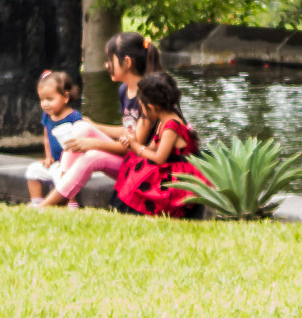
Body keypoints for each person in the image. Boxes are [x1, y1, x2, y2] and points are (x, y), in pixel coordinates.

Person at [36, 31, 159, 208]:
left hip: (141, 165)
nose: (106, 64)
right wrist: (93, 126)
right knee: (80, 126)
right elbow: (128, 130)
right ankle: (63, 186)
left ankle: (49, 205)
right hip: (129, 156)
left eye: (110, 60)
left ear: (127, 63)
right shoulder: (124, 90)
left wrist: (92, 143)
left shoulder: (147, 96)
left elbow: (136, 144)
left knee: (92, 156)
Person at [114, 71, 207, 217]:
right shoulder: (163, 120)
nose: (142, 111)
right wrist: (132, 143)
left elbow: (159, 158)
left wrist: (136, 146)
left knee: (142, 174)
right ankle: (124, 207)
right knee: (131, 160)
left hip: (177, 174)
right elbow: (151, 148)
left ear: (151, 106)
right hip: (168, 164)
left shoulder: (171, 125)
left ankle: (137, 210)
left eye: (142, 106)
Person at [25, 69, 84, 201]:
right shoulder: (47, 116)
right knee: (32, 171)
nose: (45, 104)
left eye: (50, 99)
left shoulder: (74, 116)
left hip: (71, 165)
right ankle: (36, 201)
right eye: (42, 99)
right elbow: (47, 138)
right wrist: (48, 157)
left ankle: (71, 204)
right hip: (55, 163)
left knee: (66, 178)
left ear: (65, 97)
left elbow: (82, 140)